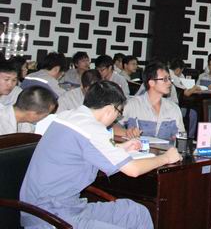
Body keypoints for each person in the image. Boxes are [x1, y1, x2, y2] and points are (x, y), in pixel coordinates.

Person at [19, 80, 181, 229]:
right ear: (110, 109)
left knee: (136, 212)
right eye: (119, 112)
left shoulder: (69, 116)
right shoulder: (91, 129)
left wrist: (121, 148)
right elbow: (133, 170)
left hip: (65, 207)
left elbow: (87, 149)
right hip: (49, 217)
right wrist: (166, 157)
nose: (117, 118)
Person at [121, 62, 185, 141]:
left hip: (166, 149)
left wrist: (178, 137)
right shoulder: (133, 104)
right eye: (165, 79)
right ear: (151, 83)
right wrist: (127, 132)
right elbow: (113, 127)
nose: (169, 83)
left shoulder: (173, 108)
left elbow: (182, 135)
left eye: (169, 79)